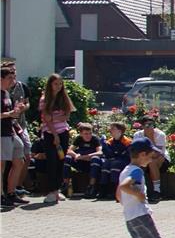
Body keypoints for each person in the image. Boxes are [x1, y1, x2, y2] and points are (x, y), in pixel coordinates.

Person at [118, 138, 170, 238]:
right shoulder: (136, 171)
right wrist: (138, 195)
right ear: (141, 155)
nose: (151, 158)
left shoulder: (125, 170)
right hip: (140, 215)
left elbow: (119, 192)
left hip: (130, 216)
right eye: (150, 155)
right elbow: (124, 187)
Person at [38, 73, 75, 203]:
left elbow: (67, 116)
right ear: (50, 84)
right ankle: (51, 190)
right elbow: (47, 120)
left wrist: (54, 118)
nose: (58, 86)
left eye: (60, 84)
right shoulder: (45, 99)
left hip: (63, 132)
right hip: (50, 134)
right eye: (55, 84)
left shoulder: (63, 98)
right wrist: (55, 135)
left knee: (61, 161)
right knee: (52, 162)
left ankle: (57, 190)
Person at [1, 65, 30, 207]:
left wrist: (17, 110)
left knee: (19, 162)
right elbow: (5, 114)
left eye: (13, 77)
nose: (13, 80)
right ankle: (1, 195)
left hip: (11, 131)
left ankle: (12, 193)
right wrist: (9, 114)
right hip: (2, 133)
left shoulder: (6, 94)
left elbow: (11, 113)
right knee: (1, 166)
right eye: (9, 78)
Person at [132, 117, 170, 202]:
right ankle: (136, 190)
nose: (150, 127)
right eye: (147, 125)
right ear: (142, 126)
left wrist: (151, 139)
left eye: (152, 124)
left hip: (160, 159)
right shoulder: (137, 135)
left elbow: (159, 153)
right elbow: (135, 151)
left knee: (152, 162)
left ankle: (157, 191)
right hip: (144, 158)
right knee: (136, 163)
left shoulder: (160, 134)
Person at [63, 122, 103, 199]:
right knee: (67, 158)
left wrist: (86, 156)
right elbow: (69, 151)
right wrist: (76, 155)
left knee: (96, 158)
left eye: (90, 133)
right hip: (80, 162)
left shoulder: (95, 139)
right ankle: (65, 185)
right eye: (86, 134)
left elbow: (100, 152)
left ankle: (91, 187)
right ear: (81, 134)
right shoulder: (79, 139)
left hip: (91, 163)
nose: (88, 135)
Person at [94, 121, 133, 200]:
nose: (110, 130)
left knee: (115, 164)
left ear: (120, 131)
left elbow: (127, 155)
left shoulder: (127, 142)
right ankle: (103, 190)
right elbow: (109, 155)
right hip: (113, 160)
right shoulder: (110, 141)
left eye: (113, 129)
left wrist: (115, 156)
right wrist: (104, 146)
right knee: (105, 165)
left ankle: (113, 191)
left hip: (124, 161)